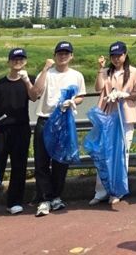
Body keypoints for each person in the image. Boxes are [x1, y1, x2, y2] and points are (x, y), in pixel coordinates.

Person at [0, 48, 39, 220]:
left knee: (19, 166)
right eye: (14, 59)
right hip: (0, 131)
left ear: (25, 61)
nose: (17, 61)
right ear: (9, 61)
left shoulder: (29, 80)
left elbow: (34, 96)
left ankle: (14, 203)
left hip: (21, 129)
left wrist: (26, 80)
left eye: (21, 58)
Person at [32, 41, 86, 217]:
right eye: (59, 53)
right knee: (41, 161)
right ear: (54, 55)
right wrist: (45, 69)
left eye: (66, 53)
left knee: (61, 162)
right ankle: (44, 199)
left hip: (64, 121)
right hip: (45, 120)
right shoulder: (46, 73)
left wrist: (72, 102)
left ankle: (56, 196)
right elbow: (35, 93)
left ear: (71, 56)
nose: (63, 56)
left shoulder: (76, 75)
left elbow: (80, 96)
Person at [89, 41, 136, 205]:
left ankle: (117, 190)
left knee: (121, 155)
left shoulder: (134, 72)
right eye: (113, 56)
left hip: (124, 117)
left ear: (125, 55)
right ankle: (101, 191)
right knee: (103, 153)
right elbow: (98, 88)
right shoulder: (106, 72)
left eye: (119, 55)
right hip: (106, 116)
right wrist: (100, 69)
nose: (116, 59)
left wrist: (123, 95)